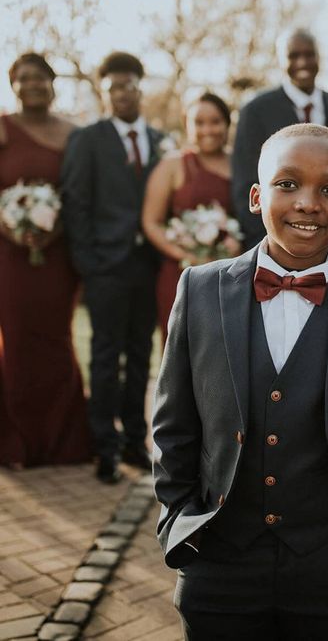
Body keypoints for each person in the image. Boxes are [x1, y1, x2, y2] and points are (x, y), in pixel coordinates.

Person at [152, 124, 328, 639]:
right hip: (220, 560)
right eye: (287, 184)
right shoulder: (201, 288)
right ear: (257, 197)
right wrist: (178, 523)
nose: (308, 204)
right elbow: (174, 421)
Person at [61, 51, 164, 484]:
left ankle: (135, 441)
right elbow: (76, 201)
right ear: (104, 94)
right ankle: (104, 446)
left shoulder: (161, 141)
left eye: (129, 85)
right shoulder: (88, 139)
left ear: (141, 87)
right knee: (105, 357)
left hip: (149, 266)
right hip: (105, 266)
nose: (122, 94)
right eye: (113, 88)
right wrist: (88, 263)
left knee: (142, 356)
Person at [0, 53, 90, 468]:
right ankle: (17, 443)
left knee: (56, 338)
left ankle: (63, 442)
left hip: (57, 257)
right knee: (15, 340)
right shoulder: (2, 130)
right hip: (9, 257)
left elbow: (80, 194)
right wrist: (12, 228)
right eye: (23, 78)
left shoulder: (74, 134)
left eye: (40, 77)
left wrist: (54, 230)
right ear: (13, 85)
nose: (32, 84)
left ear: (54, 83)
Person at [231, 28, 328, 249]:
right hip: (277, 239)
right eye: (293, 56)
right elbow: (245, 178)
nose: (303, 62)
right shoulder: (256, 109)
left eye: (309, 54)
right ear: (280, 61)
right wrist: (268, 244)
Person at [142, 92, 239, 343]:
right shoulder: (173, 165)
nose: (208, 129)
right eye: (199, 122)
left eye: (216, 121)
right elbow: (151, 222)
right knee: (180, 350)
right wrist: (186, 254)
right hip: (181, 275)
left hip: (231, 277)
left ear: (227, 124)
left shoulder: (242, 165)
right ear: (187, 125)